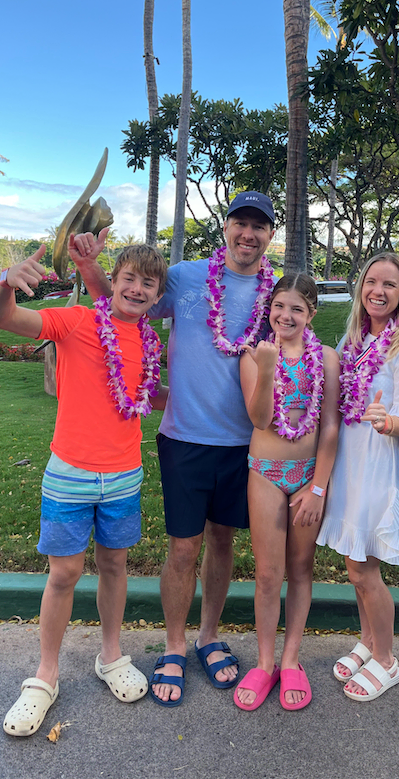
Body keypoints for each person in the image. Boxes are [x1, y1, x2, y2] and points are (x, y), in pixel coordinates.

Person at [71, 191, 276, 706]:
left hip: (243, 441)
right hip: (184, 436)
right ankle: (175, 644)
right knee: (184, 546)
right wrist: (92, 266)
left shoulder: (275, 293)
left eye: (259, 225)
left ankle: (209, 636)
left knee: (224, 541)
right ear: (225, 227)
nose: (248, 234)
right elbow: (122, 305)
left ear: (270, 234)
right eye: (240, 223)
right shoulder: (185, 276)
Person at [0, 243, 168, 736]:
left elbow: (145, 396)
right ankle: (45, 675)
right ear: (114, 279)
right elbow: (2, 319)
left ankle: (111, 656)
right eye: (129, 278)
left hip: (125, 474)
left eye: (148, 284)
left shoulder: (149, 344)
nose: (136, 289)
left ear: (157, 296)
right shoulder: (77, 321)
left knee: (114, 564)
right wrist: (6, 282)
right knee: (64, 573)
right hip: (69, 473)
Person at [316, 252, 399, 702]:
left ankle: (387, 660)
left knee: (366, 569)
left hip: (377, 462)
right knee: (353, 564)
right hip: (348, 461)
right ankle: (368, 642)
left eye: (389, 284)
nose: (378, 291)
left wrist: (391, 423)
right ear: (360, 287)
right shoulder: (352, 343)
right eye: (371, 282)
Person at [235, 274, 340, 711]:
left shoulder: (328, 359)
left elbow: (330, 426)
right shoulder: (253, 355)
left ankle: (292, 658)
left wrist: (318, 487)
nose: (286, 315)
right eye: (280, 306)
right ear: (270, 309)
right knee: (266, 573)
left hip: (308, 477)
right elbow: (259, 420)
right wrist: (266, 368)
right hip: (265, 472)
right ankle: (264, 662)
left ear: (311, 313)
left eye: (297, 308)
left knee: (300, 569)